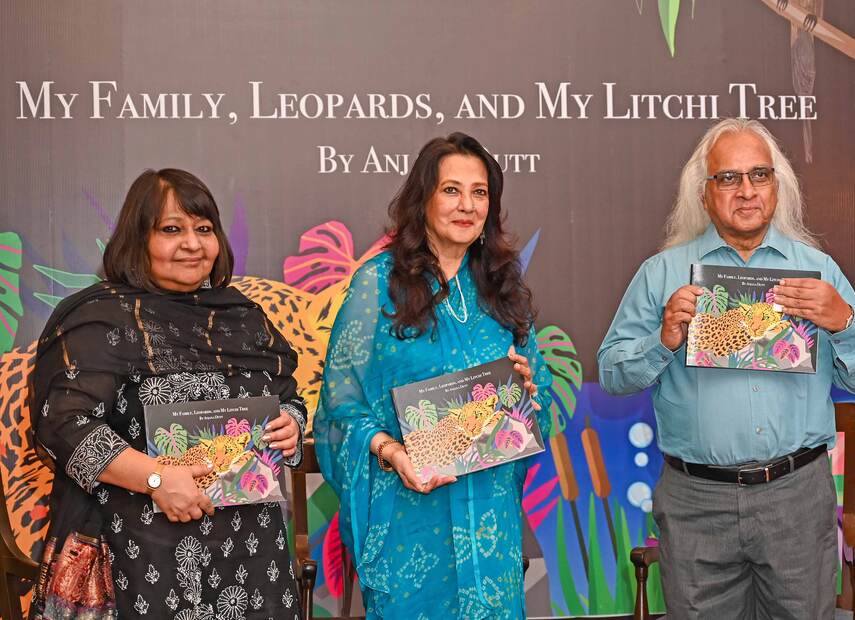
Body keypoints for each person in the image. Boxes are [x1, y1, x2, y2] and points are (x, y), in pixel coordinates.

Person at [598, 118, 855, 618]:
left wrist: (842, 322)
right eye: (729, 178)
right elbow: (613, 374)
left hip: (796, 498)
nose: (747, 191)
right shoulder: (663, 273)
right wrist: (662, 339)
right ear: (705, 192)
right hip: (695, 503)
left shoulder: (818, 271)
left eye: (760, 175)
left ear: (778, 185)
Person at [29, 169, 306, 619]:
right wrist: (156, 479)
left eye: (204, 229)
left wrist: (291, 424)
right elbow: (62, 424)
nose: (193, 244)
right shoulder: (101, 319)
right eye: (171, 229)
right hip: (139, 552)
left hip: (251, 553)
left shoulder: (241, 317)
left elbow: (286, 396)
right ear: (137, 240)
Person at [314, 132, 552, 619]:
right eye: (451, 190)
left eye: (479, 192)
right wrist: (390, 451)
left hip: (490, 525)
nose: (467, 205)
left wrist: (528, 393)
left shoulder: (503, 290)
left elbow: (539, 400)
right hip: (409, 520)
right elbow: (340, 407)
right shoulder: (377, 284)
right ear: (422, 200)